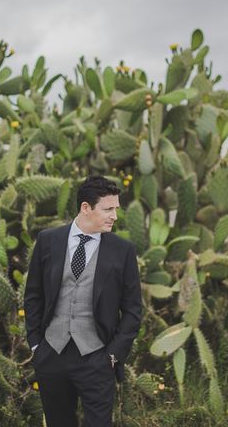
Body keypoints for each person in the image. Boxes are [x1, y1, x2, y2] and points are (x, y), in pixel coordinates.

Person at [24, 175, 143, 426]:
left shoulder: (123, 250)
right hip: (51, 354)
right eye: (108, 209)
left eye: (116, 209)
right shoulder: (48, 240)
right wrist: (36, 344)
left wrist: (112, 354)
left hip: (97, 358)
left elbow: (133, 310)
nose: (114, 216)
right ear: (86, 208)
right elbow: (33, 295)